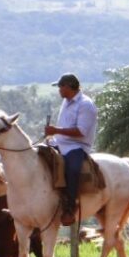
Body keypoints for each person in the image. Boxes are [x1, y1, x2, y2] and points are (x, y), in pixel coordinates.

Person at [44, 73, 98, 226]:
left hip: (77, 146)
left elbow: (81, 131)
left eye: (60, 87)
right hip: (59, 142)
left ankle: (70, 206)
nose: (59, 90)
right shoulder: (66, 102)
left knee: (72, 169)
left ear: (68, 87)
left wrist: (56, 130)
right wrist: (54, 134)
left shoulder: (85, 104)